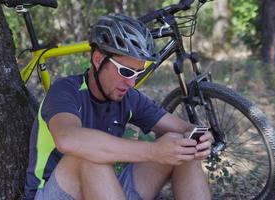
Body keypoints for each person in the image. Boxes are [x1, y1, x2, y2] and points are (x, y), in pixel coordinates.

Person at [23, 13, 213, 200]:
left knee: (183, 146)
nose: (131, 82)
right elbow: (67, 140)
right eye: (125, 71)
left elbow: (184, 128)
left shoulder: (129, 98)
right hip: (55, 192)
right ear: (98, 59)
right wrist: (153, 150)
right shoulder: (65, 90)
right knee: (86, 155)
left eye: (138, 73)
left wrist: (200, 136)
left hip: (103, 189)